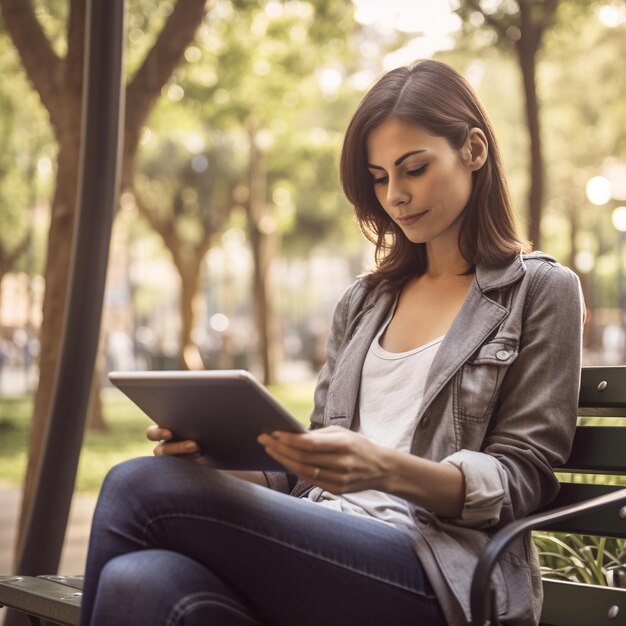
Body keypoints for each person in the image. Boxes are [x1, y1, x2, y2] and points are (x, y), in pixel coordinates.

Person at [78, 60, 584, 626]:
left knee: (137, 486)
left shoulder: (537, 290)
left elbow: (525, 476)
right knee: (139, 582)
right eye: (379, 177)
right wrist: (223, 464)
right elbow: (310, 464)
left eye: (413, 168)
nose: (396, 195)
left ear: (473, 150)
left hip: (437, 570)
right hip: (328, 545)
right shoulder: (366, 301)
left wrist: (387, 470)